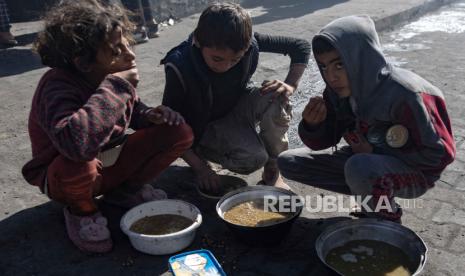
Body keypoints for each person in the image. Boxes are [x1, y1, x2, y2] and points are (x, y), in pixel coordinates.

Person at [22, 0, 193, 253]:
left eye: (126, 42)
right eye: (115, 50)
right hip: (67, 175)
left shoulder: (104, 77)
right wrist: (118, 86)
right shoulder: (57, 86)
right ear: (83, 63)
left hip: (106, 164)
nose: (130, 54)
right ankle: (82, 211)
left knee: (178, 132)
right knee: (80, 163)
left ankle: (124, 192)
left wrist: (149, 115)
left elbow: (131, 111)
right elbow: (76, 146)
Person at [278, 15, 455, 222]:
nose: (331, 77)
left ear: (362, 59)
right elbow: (326, 141)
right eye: (324, 67)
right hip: (363, 161)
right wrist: (312, 125)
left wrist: (375, 152)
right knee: (288, 162)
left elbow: (439, 156)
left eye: (339, 65)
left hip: (416, 172)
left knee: (360, 167)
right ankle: (368, 193)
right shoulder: (336, 92)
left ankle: (386, 220)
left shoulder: (406, 95)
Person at [161, 3, 311, 191]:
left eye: (235, 59)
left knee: (277, 94)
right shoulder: (180, 66)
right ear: (198, 42)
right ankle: (204, 154)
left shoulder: (250, 44)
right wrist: (201, 168)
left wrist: (290, 84)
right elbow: (168, 127)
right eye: (217, 59)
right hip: (204, 128)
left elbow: (301, 47)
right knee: (253, 158)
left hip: (237, 107)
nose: (225, 66)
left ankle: (273, 171)